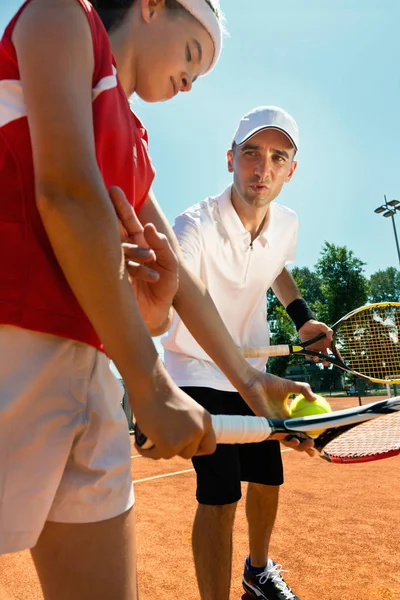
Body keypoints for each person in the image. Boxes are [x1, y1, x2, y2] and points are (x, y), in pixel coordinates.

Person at [0, 2, 316, 599]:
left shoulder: (135, 140)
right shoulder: (62, 16)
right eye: (193, 55)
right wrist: (150, 385)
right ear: (150, 6)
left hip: (87, 370)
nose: (192, 82)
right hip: (11, 347)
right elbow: (66, 196)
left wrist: (250, 382)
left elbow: (179, 286)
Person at [162, 106, 333, 600]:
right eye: (252, 154)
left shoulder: (286, 223)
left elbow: (276, 267)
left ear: (290, 171)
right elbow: (181, 294)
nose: (263, 169)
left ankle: (257, 572)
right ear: (230, 159)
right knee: (220, 494)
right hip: (196, 372)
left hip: (252, 372)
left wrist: (303, 320)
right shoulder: (192, 225)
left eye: (277, 158)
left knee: (266, 478)